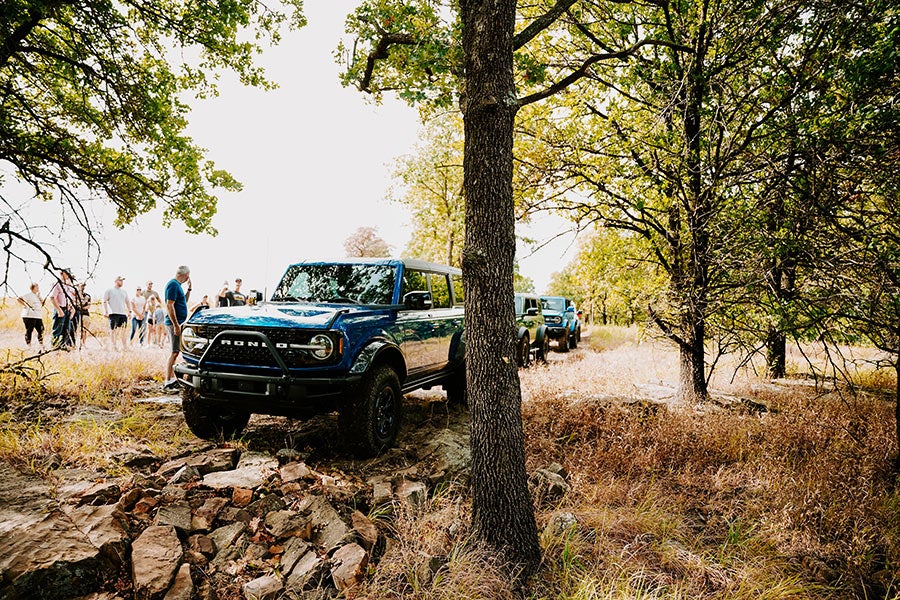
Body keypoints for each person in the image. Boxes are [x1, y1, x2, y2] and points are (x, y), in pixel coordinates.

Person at [164, 265, 192, 390]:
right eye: (188, 276)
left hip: (179, 323)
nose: (188, 278)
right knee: (174, 352)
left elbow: (183, 301)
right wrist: (175, 325)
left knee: (177, 351)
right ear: (185, 275)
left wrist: (189, 290)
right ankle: (167, 381)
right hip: (173, 324)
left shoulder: (178, 286)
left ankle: (171, 378)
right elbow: (169, 306)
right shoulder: (172, 285)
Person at [48, 267, 76, 350]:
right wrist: (59, 310)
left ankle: (63, 348)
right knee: (57, 330)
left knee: (67, 330)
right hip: (60, 309)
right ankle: (54, 348)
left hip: (68, 310)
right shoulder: (57, 284)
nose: (68, 275)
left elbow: (71, 299)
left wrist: (73, 310)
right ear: (62, 273)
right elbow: (52, 297)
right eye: (66, 273)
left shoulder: (68, 286)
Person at [103, 275, 129, 351]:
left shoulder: (124, 291)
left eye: (122, 280)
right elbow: (104, 301)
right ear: (116, 281)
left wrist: (130, 311)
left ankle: (125, 346)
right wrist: (106, 311)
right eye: (120, 280)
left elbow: (127, 302)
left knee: (123, 331)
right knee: (113, 331)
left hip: (123, 314)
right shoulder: (110, 290)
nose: (122, 282)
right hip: (113, 313)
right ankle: (114, 346)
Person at [17, 283, 45, 350]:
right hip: (29, 315)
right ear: (33, 287)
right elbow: (18, 298)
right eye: (37, 287)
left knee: (41, 330)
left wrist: (39, 296)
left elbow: (43, 303)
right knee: (29, 330)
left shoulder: (37, 296)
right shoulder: (28, 295)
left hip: (38, 316)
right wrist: (24, 305)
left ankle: (41, 344)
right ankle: (28, 345)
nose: (38, 288)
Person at [75, 282, 92, 350]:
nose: (82, 287)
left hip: (85, 314)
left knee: (84, 330)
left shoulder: (87, 296)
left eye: (83, 286)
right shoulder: (74, 295)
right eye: (81, 286)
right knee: (75, 329)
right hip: (76, 314)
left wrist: (81, 307)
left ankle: (83, 344)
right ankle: (74, 343)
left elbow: (88, 306)